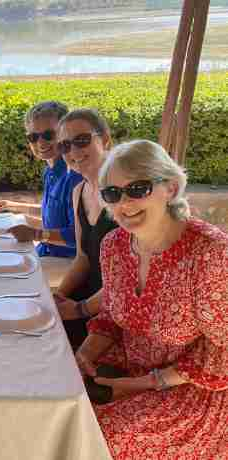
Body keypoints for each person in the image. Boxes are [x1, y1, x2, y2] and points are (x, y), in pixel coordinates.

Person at [76, 140, 228, 458]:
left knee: (97, 436)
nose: (124, 203)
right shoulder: (114, 245)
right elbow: (111, 315)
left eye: (138, 188)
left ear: (170, 189)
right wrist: (86, 355)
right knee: (58, 409)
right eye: (112, 193)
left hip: (195, 389)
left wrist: (141, 385)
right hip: (128, 370)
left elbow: (223, 352)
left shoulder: (210, 253)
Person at [52, 109, 118, 350]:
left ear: (105, 139)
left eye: (82, 140)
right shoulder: (78, 191)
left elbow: (130, 280)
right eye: (65, 145)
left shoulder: (123, 194)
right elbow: (83, 258)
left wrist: (79, 310)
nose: (74, 151)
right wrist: (58, 297)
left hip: (115, 304)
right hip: (89, 294)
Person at [0, 101, 82, 258]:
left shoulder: (74, 176)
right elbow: (55, 215)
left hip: (66, 261)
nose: (40, 142)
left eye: (48, 135)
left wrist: (36, 234)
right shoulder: (50, 171)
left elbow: (78, 236)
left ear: (65, 134)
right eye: (33, 137)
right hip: (47, 251)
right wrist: (16, 206)